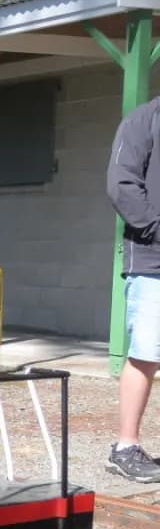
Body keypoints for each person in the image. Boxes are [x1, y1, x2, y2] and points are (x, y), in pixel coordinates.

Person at [105, 97, 160, 482]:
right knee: (146, 353)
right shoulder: (144, 120)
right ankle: (125, 447)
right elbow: (121, 184)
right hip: (153, 261)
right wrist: (156, 229)